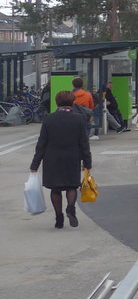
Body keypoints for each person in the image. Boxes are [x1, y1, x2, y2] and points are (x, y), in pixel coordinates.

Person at [30, 90, 92, 229]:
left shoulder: (49, 119)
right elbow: (84, 143)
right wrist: (87, 163)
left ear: (57, 102)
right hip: (72, 157)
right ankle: (70, 207)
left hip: (52, 158)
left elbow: (42, 143)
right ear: (72, 102)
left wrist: (35, 164)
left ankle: (59, 218)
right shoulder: (79, 119)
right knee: (71, 186)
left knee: (55, 189)